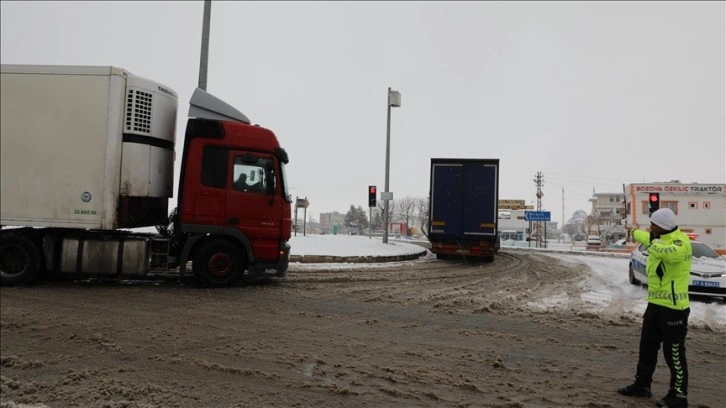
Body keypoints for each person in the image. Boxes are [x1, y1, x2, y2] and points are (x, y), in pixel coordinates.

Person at [618, 208, 692, 408]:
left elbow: (669, 253)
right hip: (655, 306)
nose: (651, 228)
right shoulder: (656, 237)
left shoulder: (681, 243)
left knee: (674, 354)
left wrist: (652, 241)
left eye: (654, 225)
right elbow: (646, 236)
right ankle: (642, 385)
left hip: (674, 309)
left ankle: (678, 396)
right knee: (647, 348)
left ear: (663, 226)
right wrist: (632, 232)